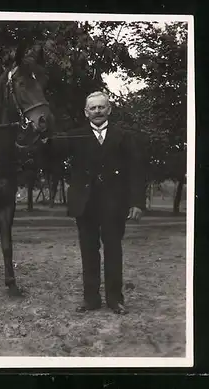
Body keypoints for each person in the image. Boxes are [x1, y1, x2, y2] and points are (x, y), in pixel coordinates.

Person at [64, 91, 146, 315]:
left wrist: (137, 202)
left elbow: (136, 171)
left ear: (109, 109)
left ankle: (115, 300)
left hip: (114, 204)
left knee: (113, 251)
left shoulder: (124, 136)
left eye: (102, 107)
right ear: (86, 112)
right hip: (85, 204)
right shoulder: (74, 136)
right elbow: (51, 155)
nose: (98, 111)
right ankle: (91, 300)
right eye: (93, 108)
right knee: (89, 253)